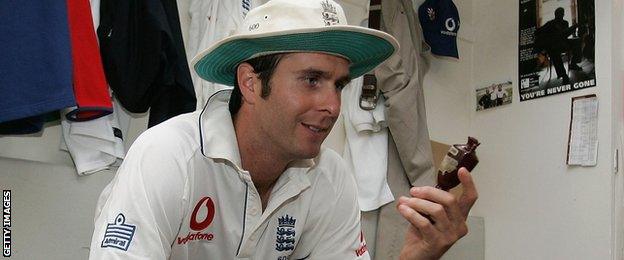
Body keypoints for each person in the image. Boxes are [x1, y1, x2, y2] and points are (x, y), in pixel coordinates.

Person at [88, 0, 478, 259]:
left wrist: (413, 258)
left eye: (339, 84)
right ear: (250, 82)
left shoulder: (330, 176)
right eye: (312, 80)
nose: (332, 105)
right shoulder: (167, 156)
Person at [534, 7, 582, 84]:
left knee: (577, 41)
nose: (561, 15)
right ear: (556, 14)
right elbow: (537, 32)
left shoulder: (565, 23)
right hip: (554, 46)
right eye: (559, 14)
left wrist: (573, 28)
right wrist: (546, 37)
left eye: (562, 14)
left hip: (564, 43)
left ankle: (573, 63)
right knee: (553, 51)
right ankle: (563, 75)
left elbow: (564, 35)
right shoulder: (550, 23)